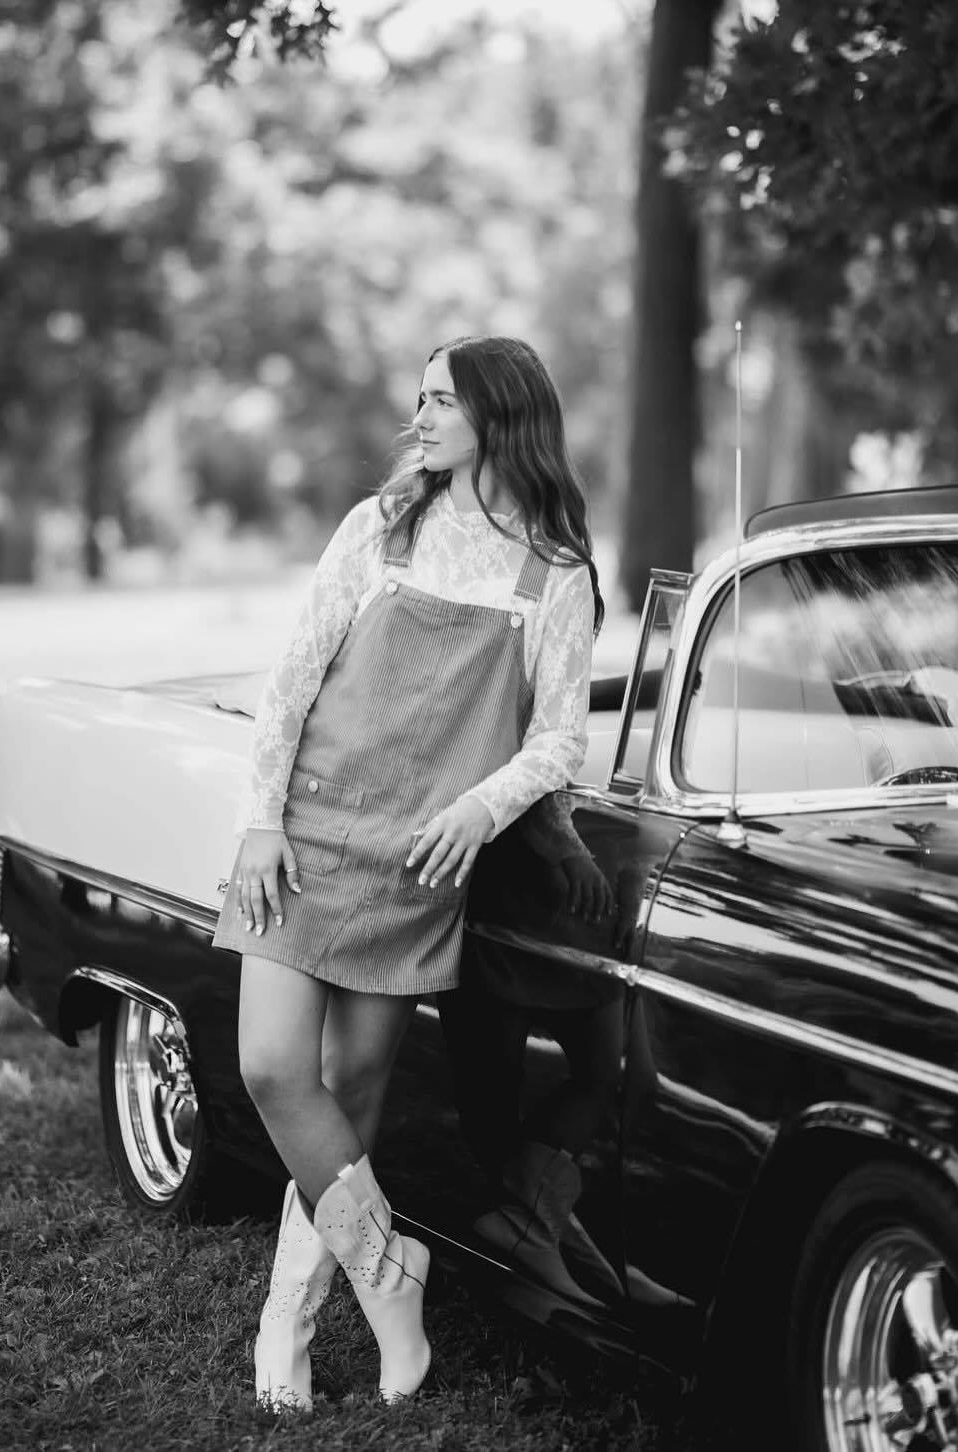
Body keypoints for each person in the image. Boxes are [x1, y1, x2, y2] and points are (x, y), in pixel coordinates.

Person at [211, 334, 602, 1411]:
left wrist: (482, 810)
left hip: (419, 865)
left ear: (501, 413)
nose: (418, 417)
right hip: (307, 836)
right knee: (274, 1069)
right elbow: (289, 682)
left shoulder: (553, 571)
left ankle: (286, 1324)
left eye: (441, 400)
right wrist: (258, 823)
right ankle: (390, 1278)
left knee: (350, 1097)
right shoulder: (379, 529)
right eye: (419, 398)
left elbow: (559, 737)